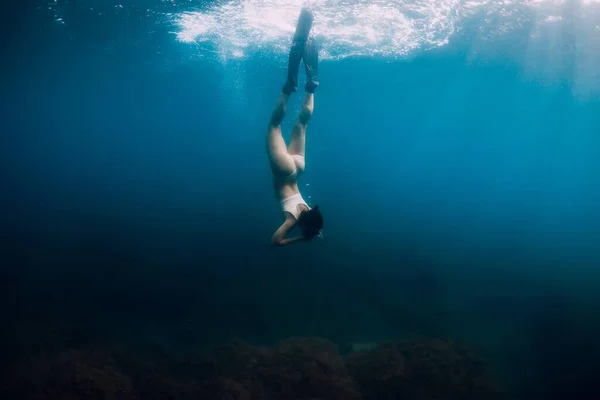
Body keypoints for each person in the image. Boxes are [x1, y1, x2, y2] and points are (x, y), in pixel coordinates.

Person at [267, 8, 324, 246]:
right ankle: (289, 85)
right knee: (274, 125)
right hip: (283, 171)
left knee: (303, 122)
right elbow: (275, 242)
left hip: (298, 167)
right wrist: (302, 237)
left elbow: (313, 221)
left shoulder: (309, 210)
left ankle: (311, 84)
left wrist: (312, 229)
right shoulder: (292, 220)